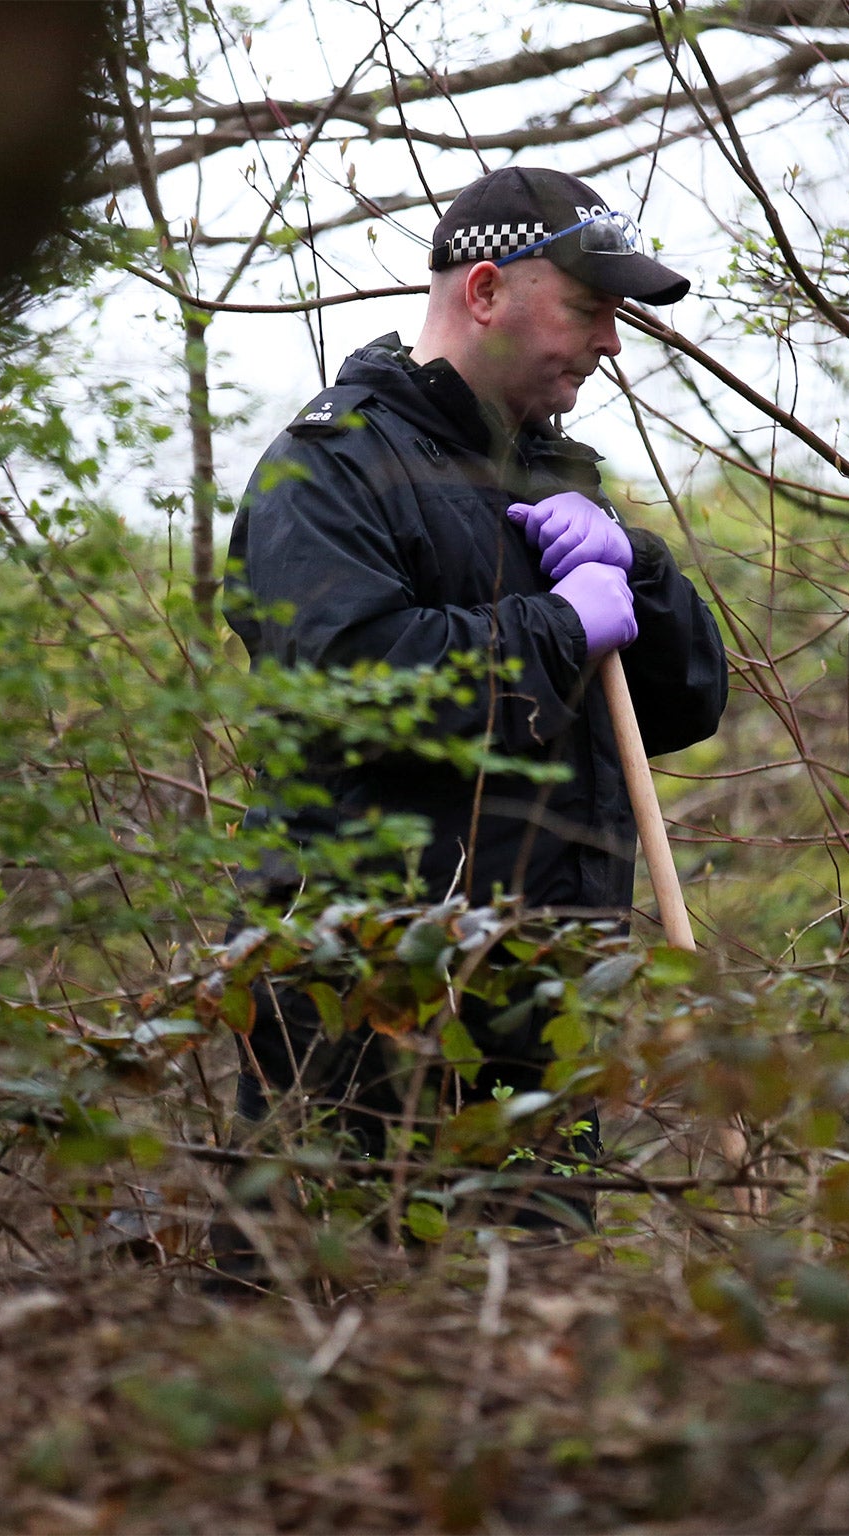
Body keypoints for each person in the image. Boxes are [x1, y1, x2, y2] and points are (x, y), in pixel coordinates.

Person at [221, 167, 729, 1202]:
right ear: (485, 291)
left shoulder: (551, 474)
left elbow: (681, 704)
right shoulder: (327, 470)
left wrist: (635, 566)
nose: (610, 343)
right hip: (367, 1012)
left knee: (531, 1329)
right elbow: (347, 685)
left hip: (542, 1015)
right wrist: (555, 627)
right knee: (329, 1324)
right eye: (588, 309)